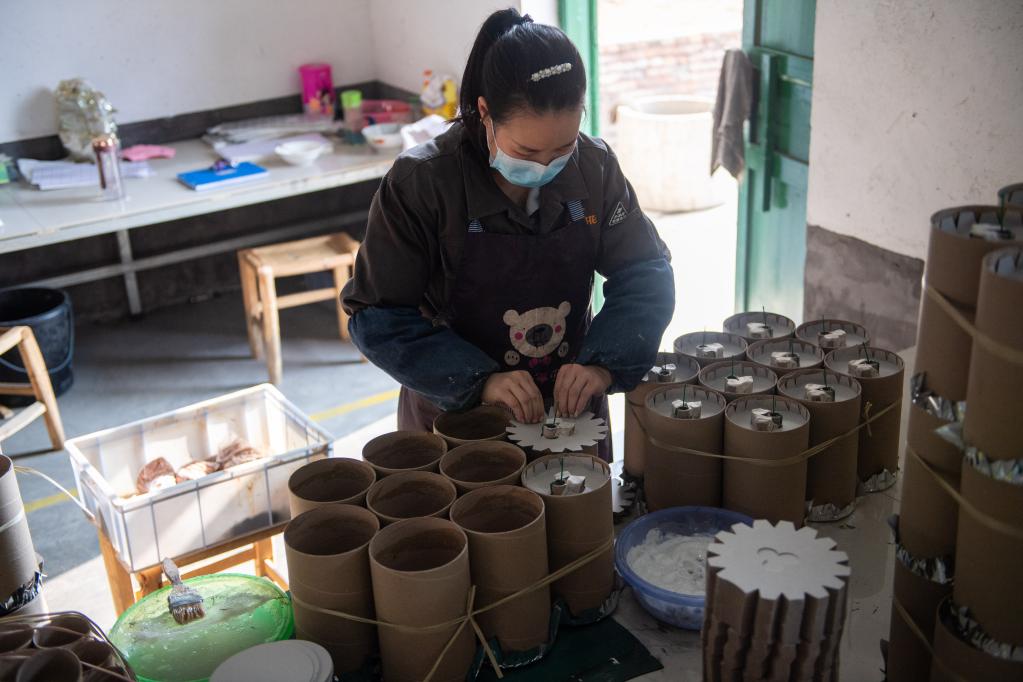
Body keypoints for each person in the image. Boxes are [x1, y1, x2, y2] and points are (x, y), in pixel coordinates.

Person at [341, 8, 674, 460]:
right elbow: (377, 314)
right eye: (526, 150)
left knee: (582, 525)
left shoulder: (595, 170)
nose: (544, 166)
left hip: (570, 409)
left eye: (563, 148)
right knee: (472, 526)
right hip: (458, 418)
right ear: (484, 113)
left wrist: (602, 364)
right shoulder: (422, 184)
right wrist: (478, 380)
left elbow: (645, 271)